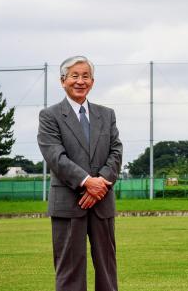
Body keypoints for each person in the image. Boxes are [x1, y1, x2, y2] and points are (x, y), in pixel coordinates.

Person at [38, 56, 122, 291]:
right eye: (74, 75)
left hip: (102, 201)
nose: (80, 81)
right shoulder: (50, 116)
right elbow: (55, 156)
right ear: (63, 80)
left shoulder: (107, 115)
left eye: (85, 76)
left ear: (92, 82)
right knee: (69, 270)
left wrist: (99, 186)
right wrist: (86, 182)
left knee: (107, 268)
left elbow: (116, 151)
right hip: (68, 203)